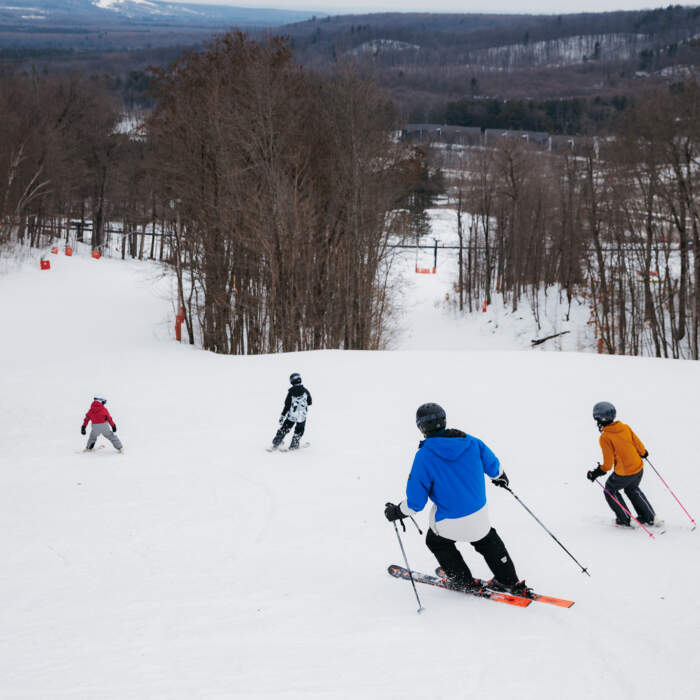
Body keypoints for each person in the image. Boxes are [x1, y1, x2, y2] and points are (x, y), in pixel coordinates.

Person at [384, 402, 530, 596]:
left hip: (449, 522)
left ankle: (463, 580)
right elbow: (495, 469)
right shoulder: (472, 441)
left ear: (420, 427)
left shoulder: (424, 456)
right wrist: (500, 478)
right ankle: (508, 580)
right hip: (479, 516)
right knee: (486, 538)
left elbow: (415, 503)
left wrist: (396, 511)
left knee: (436, 541)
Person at [586, 401, 657, 527]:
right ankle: (649, 516)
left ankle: (624, 518)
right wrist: (643, 453)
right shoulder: (625, 427)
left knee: (610, 490)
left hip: (624, 472)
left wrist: (595, 473)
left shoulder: (605, 437)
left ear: (600, 419)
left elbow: (607, 465)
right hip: (638, 467)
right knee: (632, 489)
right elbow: (639, 445)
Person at [269, 373, 312, 451]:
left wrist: (283, 415)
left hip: (292, 415)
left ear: (292, 381)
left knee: (285, 428)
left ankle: (276, 442)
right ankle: (294, 444)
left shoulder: (291, 392)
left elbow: (287, 405)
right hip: (302, 416)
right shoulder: (306, 391)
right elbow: (310, 402)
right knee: (299, 430)